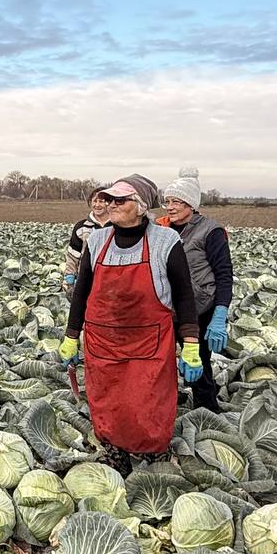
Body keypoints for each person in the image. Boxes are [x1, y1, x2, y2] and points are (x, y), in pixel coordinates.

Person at [58, 173, 204, 472]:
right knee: (107, 401)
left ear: (139, 206)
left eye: (119, 199)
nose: (110, 204)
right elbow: (82, 292)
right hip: (103, 342)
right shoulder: (97, 239)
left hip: (149, 342)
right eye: (108, 198)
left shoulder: (166, 241)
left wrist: (190, 343)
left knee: (149, 401)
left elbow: (184, 296)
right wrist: (72, 336)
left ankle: (153, 453)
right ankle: (115, 452)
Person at [159, 166, 233, 413]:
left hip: (200, 309)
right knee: (161, 362)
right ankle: (165, 405)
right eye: (167, 201)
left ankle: (207, 411)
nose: (170, 207)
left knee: (198, 361)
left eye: (176, 202)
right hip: (168, 307)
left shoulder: (211, 232)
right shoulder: (162, 230)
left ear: (191, 204)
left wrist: (220, 314)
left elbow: (224, 275)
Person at [63, 187, 110, 294]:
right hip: (85, 279)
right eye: (94, 201)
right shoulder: (81, 227)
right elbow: (72, 255)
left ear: (109, 203)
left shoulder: (117, 226)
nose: (97, 205)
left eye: (101, 201)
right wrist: (70, 280)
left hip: (110, 280)